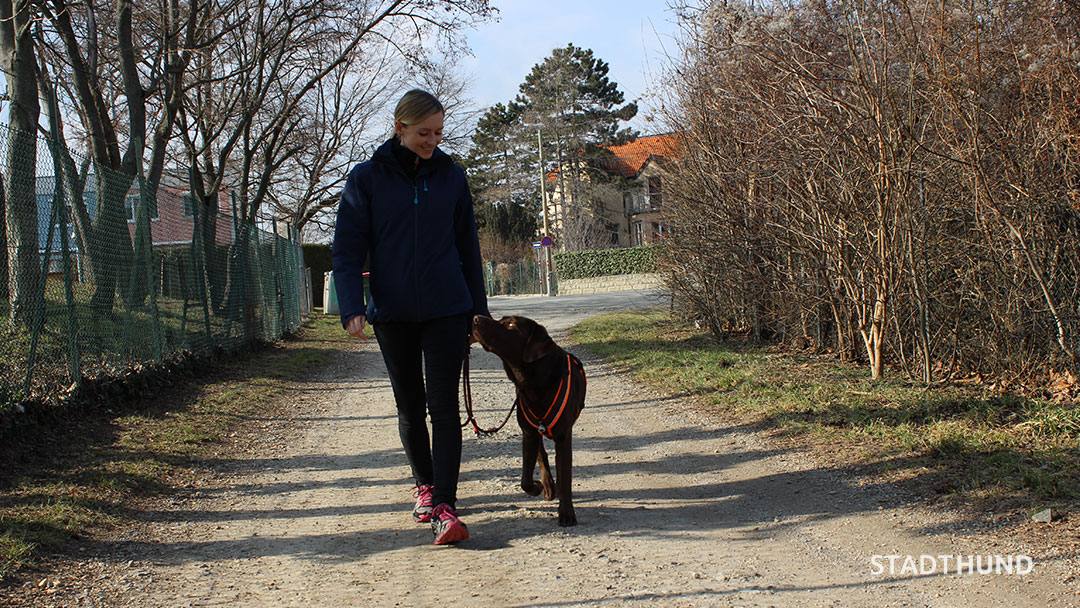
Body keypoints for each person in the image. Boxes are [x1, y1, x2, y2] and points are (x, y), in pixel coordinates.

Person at [331, 89, 489, 545]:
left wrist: (478, 313)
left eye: (439, 133)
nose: (432, 141)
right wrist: (351, 307)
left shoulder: (453, 179)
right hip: (394, 312)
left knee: (443, 405)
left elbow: (468, 250)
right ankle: (423, 485)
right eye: (424, 133)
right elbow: (346, 247)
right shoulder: (367, 178)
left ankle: (445, 502)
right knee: (410, 405)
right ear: (399, 127)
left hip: (447, 308)